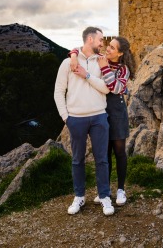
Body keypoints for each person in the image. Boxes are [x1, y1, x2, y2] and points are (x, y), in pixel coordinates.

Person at [54, 26, 115, 216]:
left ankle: (104, 196)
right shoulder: (67, 63)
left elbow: (107, 89)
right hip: (76, 119)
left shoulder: (103, 62)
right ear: (90, 39)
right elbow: (58, 92)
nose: (102, 43)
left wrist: (87, 75)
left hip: (99, 117)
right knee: (77, 160)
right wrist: (66, 117)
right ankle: (79, 196)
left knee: (102, 160)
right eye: (100, 39)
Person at [69, 36, 136, 206]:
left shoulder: (123, 69)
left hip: (117, 113)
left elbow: (115, 88)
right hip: (100, 111)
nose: (108, 49)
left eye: (113, 48)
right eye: (109, 46)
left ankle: (121, 189)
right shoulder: (100, 58)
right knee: (104, 153)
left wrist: (105, 68)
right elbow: (80, 49)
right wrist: (74, 56)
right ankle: (104, 191)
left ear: (120, 53)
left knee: (119, 151)